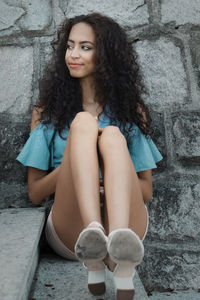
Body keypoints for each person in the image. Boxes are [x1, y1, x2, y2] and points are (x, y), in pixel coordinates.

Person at [17, 13, 163, 300]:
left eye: (85, 47)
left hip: (127, 220)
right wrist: (76, 156)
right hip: (72, 228)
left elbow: (146, 190)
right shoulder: (48, 113)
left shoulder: (130, 112)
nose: (73, 54)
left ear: (106, 55)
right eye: (70, 46)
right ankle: (94, 237)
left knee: (110, 135)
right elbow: (35, 193)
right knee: (83, 124)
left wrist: (109, 163)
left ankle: (120, 248)